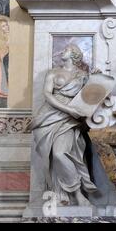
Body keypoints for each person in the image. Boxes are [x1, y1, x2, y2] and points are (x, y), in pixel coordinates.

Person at [30, 44, 97, 206]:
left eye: (66, 49)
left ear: (74, 54)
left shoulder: (83, 75)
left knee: (61, 154)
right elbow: (47, 95)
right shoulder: (52, 73)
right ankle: (61, 193)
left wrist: (96, 78)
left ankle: (77, 193)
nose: (63, 51)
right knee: (52, 157)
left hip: (69, 121)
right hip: (49, 117)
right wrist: (68, 109)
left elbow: (92, 96)